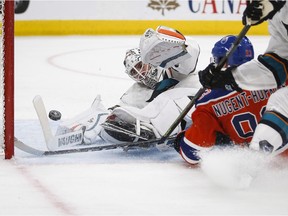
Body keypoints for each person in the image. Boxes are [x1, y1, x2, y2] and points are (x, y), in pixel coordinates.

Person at [55, 26, 201, 146]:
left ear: (151, 59)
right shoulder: (137, 91)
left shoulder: (174, 68)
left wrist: (175, 43)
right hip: (181, 127)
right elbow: (116, 112)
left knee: (168, 98)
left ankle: (157, 130)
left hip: (203, 108)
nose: (140, 74)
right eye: (134, 72)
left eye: (140, 66)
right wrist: (88, 124)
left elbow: (190, 53)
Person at [197, 1, 288, 157]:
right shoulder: (277, 20)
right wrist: (228, 78)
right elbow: (278, 66)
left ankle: (252, 163)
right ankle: (253, 162)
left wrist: (272, 3)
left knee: (282, 101)